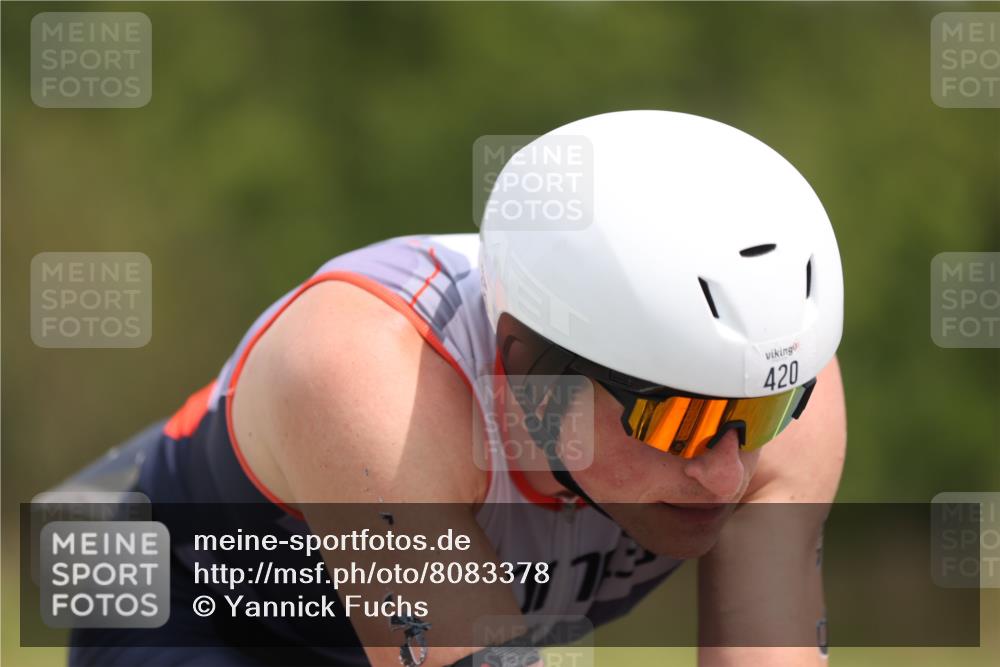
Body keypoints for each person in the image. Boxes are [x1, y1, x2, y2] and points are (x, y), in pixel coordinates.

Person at [64, 110, 846, 667]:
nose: (727, 472)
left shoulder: (782, 374)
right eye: (677, 419)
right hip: (185, 598)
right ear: (527, 371)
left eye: (762, 413)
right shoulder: (373, 379)